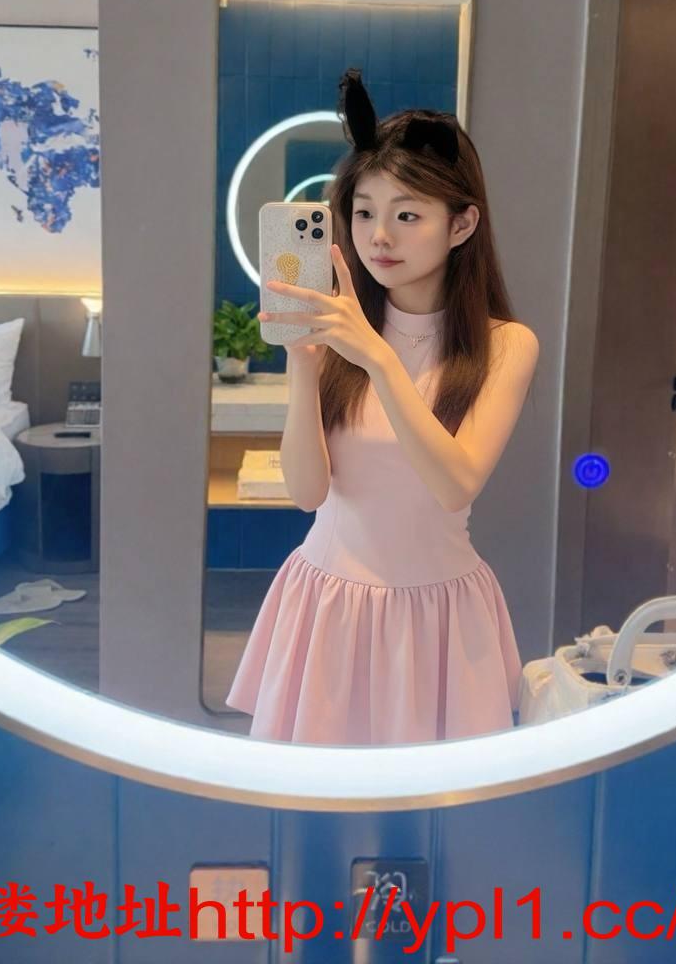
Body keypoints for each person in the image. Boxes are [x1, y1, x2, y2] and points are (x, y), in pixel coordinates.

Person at [225, 68, 539, 746]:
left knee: (429, 801)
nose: (379, 237)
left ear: (462, 224)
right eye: (364, 212)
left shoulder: (506, 345)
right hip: (328, 599)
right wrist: (303, 366)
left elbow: (455, 484)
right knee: (318, 795)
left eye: (408, 215)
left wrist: (378, 358)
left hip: (438, 615)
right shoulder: (338, 331)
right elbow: (308, 494)